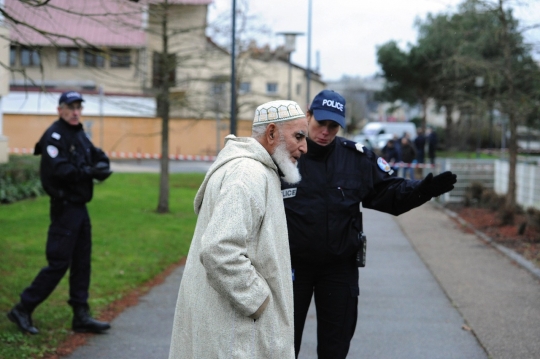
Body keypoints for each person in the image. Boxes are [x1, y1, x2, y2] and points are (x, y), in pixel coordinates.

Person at [281, 89, 457, 359]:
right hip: (291, 268)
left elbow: (390, 193)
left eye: (333, 126)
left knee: (335, 349)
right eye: (320, 124)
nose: (325, 132)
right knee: (282, 347)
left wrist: (423, 190)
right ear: (308, 115)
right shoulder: (284, 157)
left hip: (338, 269)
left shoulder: (356, 159)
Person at [168, 100, 309, 359]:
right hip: (238, 335)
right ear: (272, 133)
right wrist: (257, 299)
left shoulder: (254, 170)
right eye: (298, 136)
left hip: (234, 328)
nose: (304, 147)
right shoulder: (248, 173)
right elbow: (219, 249)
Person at [7, 91, 113, 335]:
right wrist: (89, 171)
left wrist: (101, 165)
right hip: (65, 208)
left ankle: (80, 314)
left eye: (78, 107)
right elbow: (60, 170)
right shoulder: (54, 136)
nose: (76, 112)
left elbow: (96, 155)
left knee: (82, 263)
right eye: (70, 107)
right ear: (60, 109)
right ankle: (23, 307)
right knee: (58, 263)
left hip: (80, 208)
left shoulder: (79, 133)